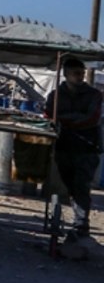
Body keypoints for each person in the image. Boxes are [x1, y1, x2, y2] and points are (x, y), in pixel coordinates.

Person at [45, 57, 102, 241]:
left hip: (87, 147)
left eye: (82, 73)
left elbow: (91, 119)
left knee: (81, 186)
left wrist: (65, 120)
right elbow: (49, 117)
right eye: (76, 73)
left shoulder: (94, 95)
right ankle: (77, 224)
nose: (80, 77)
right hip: (64, 146)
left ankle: (81, 225)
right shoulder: (56, 95)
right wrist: (72, 118)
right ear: (66, 74)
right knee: (70, 186)